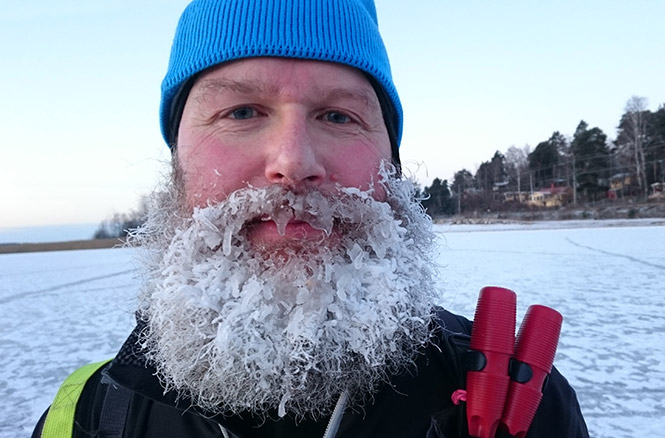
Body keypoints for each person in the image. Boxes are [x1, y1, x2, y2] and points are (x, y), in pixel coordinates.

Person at [33, 1, 589, 437]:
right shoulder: (86, 414)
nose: (294, 162)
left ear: (391, 168)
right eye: (242, 112)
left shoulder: (526, 400)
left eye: (338, 115)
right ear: (175, 164)